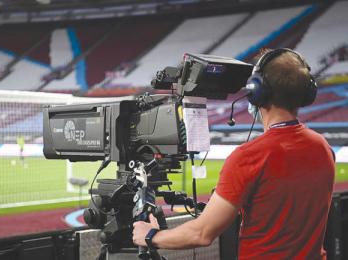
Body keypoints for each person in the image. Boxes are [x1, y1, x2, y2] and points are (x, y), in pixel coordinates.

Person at [132, 49, 335, 259]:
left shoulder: (250, 157)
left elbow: (202, 234)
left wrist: (150, 236)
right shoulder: (323, 147)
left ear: (257, 91)